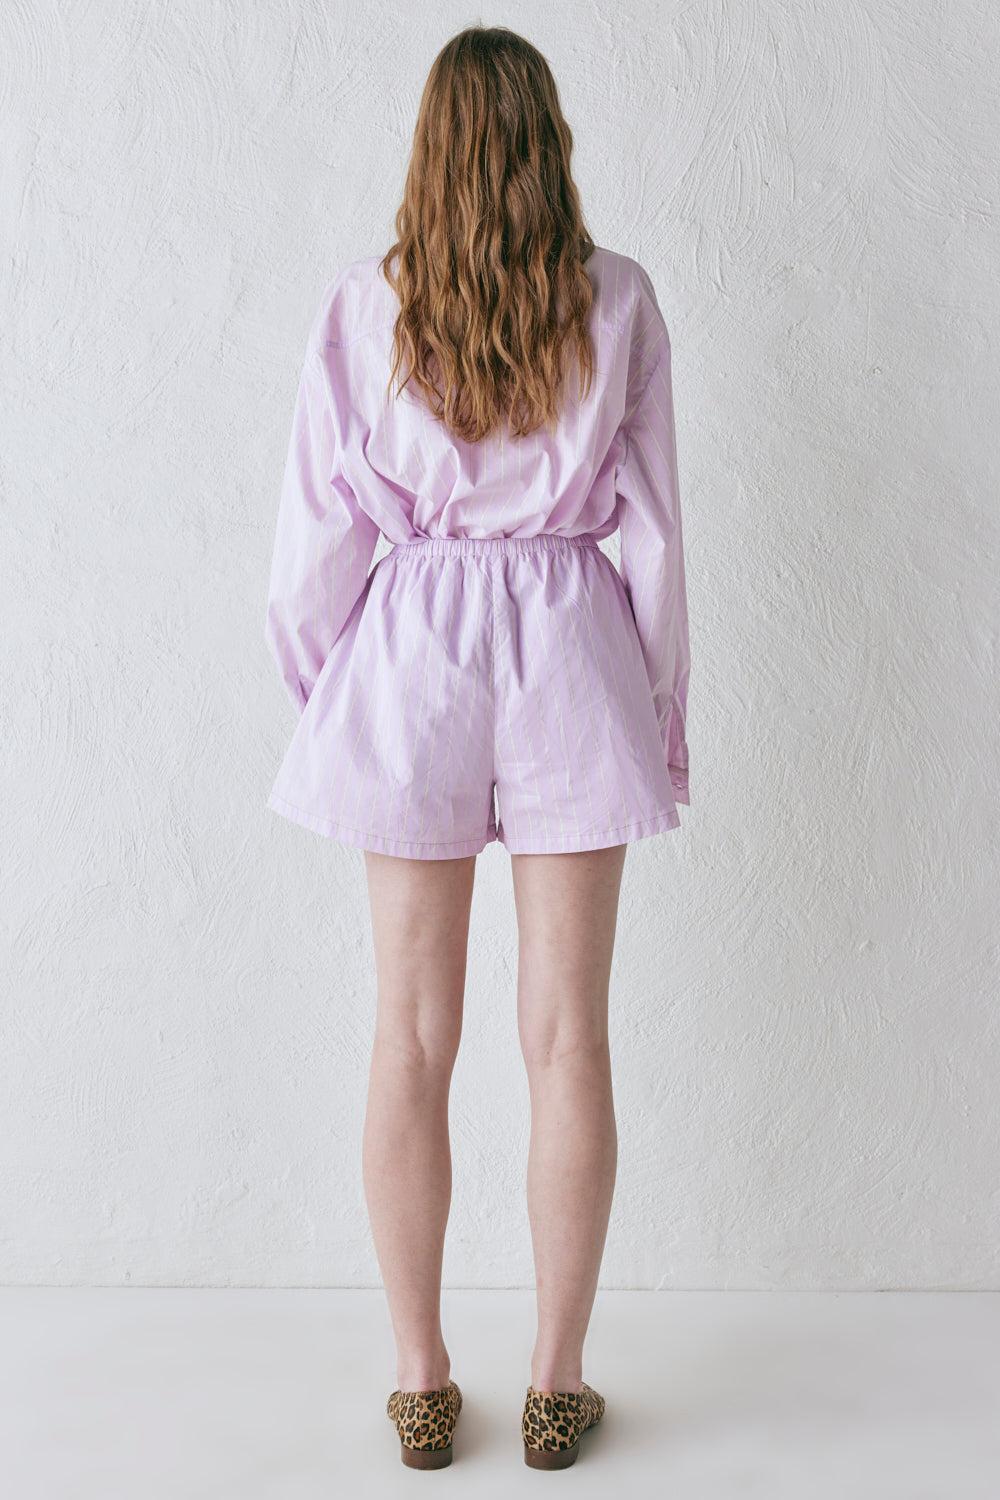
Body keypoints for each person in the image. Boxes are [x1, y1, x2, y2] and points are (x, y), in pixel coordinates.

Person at [264, 25, 690, 1472]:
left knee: (409, 1033)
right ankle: (557, 1382)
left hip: (412, 650)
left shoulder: (365, 304)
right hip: (572, 642)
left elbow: (310, 555)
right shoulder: (616, 299)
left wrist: (337, 696)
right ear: (548, 142)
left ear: (431, 147)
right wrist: (655, 715)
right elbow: (655, 539)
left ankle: (420, 1378)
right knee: (567, 1035)